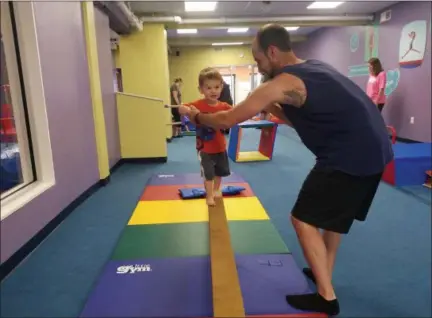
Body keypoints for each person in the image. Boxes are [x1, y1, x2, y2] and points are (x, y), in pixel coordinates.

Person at [179, 24, 393, 316]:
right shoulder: (316, 68)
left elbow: (227, 120)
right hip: (377, 151)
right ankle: (323, 277)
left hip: (347, 157)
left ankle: (326, 298)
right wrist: (269, 105)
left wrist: (197, 115)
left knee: (302, 219)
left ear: (272, 52)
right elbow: (301, 119)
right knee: (332, 220)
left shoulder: (281, 82)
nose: (258, 65)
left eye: (258, 60)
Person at [183, 67, 232, 206]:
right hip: (204, 148)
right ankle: (209, 195)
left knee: (220, 171)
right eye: (208, 88)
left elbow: (236, 113)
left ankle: (217, 190)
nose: (213, 91)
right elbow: (183, 107)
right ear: (201, 90)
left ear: (222, 87)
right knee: (208, 173)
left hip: (220, 146)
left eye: (217, 87)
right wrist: (184, 109)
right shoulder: (197, 104)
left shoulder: (224, 106)